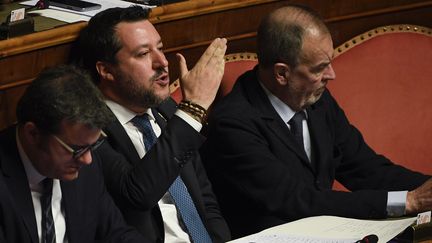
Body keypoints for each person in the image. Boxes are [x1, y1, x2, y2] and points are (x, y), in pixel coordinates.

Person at [200, 5, 432, 238]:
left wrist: (425, 187)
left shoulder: (316, 99)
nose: (332, 75)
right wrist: (408, 201)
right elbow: (297, 200)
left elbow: (364, 168)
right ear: (282, 73)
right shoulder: (233, 124)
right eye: (320, 68)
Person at [77, 6, 230, 243]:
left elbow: (205, 200)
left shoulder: (168, 110)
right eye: (142, 54)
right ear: (106, 70)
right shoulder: (90, 127)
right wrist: (192, 110)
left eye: (160, 48)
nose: (162, 62)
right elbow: (136, 193)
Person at [0, 65, 148, 243]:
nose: (87, 159)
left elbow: (116, 234)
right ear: (33, 134)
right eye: (77, 149)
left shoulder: (86, 166)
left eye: (93, 145)